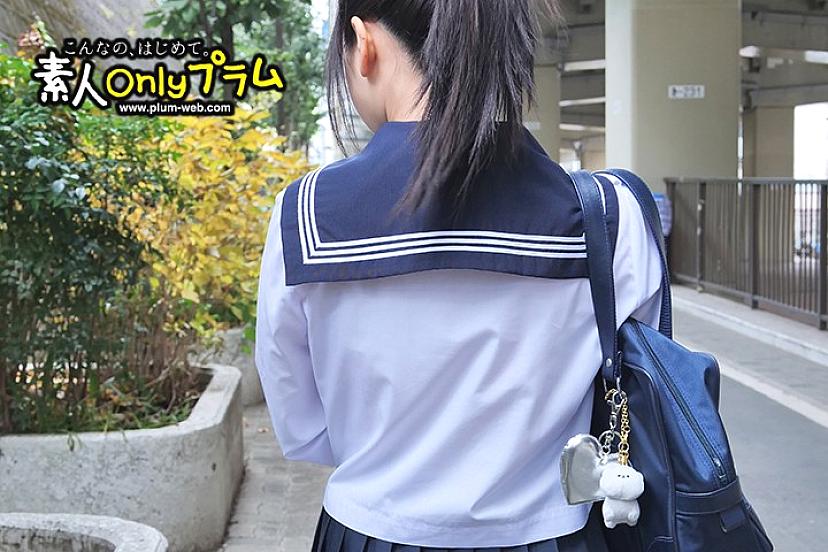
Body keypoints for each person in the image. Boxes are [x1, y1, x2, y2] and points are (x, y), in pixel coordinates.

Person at [254, 0, 664, 550]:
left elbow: (302, 427)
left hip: (371, 532)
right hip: (558, 535)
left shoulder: (305, 218)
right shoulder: (611, 216)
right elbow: (639, 394)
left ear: (364, 44)